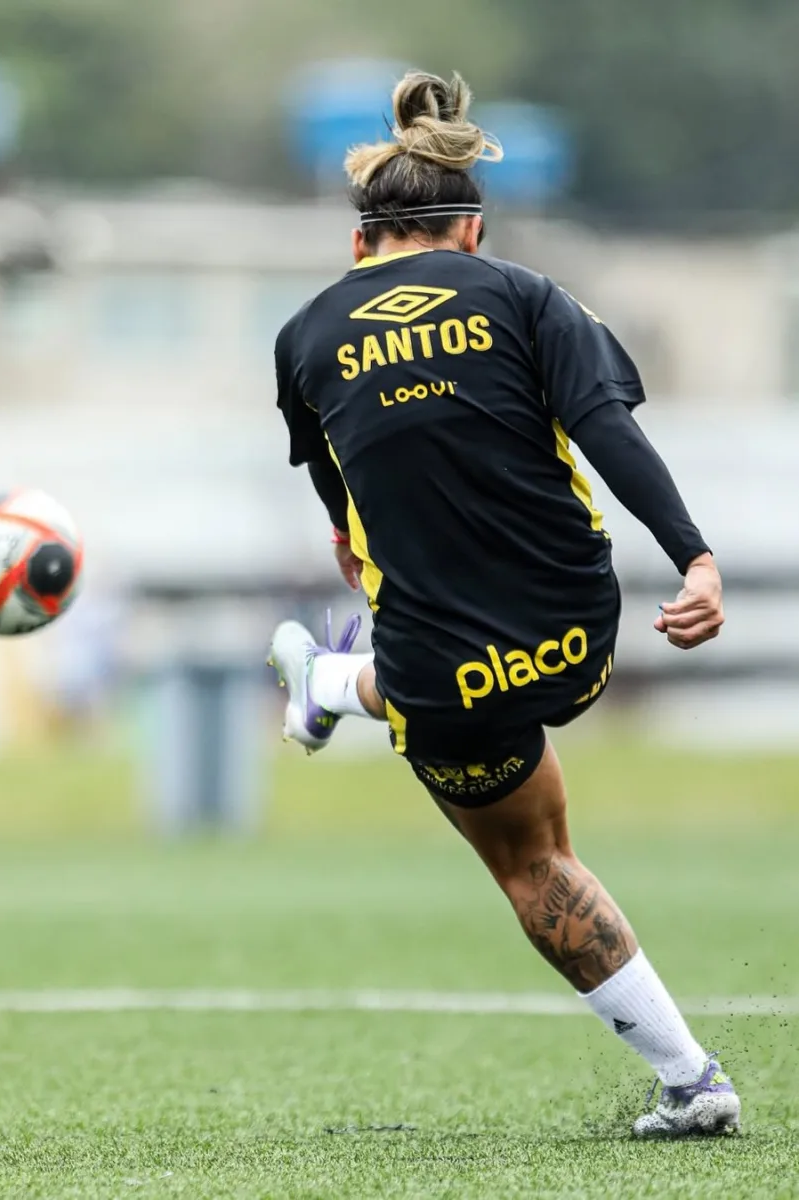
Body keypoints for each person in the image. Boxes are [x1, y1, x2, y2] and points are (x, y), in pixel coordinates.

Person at [269, 69, 739, 1139]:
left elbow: (330, 464)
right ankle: (329, 679)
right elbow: (609, 430)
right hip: (577, 631)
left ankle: (693, 1081)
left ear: (358, 244)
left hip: (441, 666)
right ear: (470, 232)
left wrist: (345, 530)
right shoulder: (529, 298)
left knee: (533, 864)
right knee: (548, 828)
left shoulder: (304, 338)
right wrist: (695, 558)